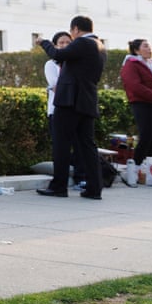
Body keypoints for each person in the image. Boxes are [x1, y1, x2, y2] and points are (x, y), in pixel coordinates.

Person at [37, 16, 105, 201]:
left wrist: (43, 42)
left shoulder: (83, 42)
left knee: (61, 143)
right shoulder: (99, 45)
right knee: (87, 145)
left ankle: (58, 186)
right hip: (87, 100)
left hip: (70, 100)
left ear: (75, 29)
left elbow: (58, 55)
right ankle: (94, 188)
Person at [43, 31, 83, 188]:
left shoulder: (75, 63)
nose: (65, 46)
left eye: (68, 42)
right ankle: (60, 181)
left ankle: (81, 178)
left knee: (79, 146)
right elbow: (56, 86)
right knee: (61, 147)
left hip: (75, 109)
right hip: (57, 110)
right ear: (55, 46)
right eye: (61, 43)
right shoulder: (51, 64)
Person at [121, 38, 152, 171]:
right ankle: (136, 165)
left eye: (150, 46)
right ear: (136, 50)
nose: (150, 49)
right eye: (146, 46)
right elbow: (135, 86)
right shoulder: (131, 64)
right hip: (141, 103)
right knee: (146, 134)